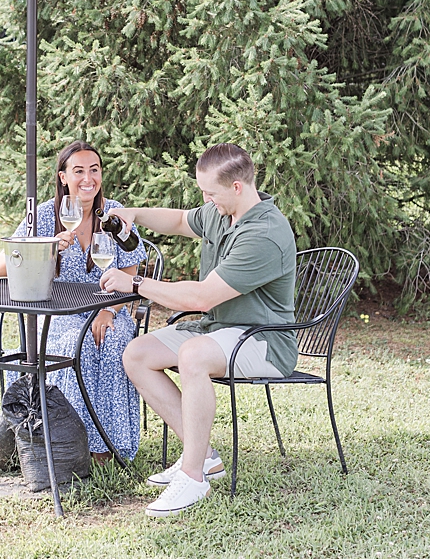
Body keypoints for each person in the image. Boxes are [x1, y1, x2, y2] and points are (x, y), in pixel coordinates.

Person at [103, 142, 297, 517]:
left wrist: (138, 285)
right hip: (220, 330)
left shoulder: (265, 234)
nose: (205, 199)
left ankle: (192, 477)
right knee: (138, 355)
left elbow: (203, 297)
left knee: (192, 355)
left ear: (237, 186)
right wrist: (134, 214)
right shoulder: (220, 213)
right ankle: (204, 456)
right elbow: (178, 221)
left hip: (263, 340)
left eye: (210, 192)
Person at [2, 140, 147, 464]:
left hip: (109, 307)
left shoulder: (113, 213)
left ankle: (107, 446)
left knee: (112, 343)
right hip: (56, 312)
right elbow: (3, 267)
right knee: (71, 346)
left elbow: (130, 268)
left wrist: (107, 310)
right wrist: (47, 247)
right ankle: (65, 447)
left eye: (94, 170)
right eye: (78, 171)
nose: (88, 179)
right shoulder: (42, 216)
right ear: (63, 177)